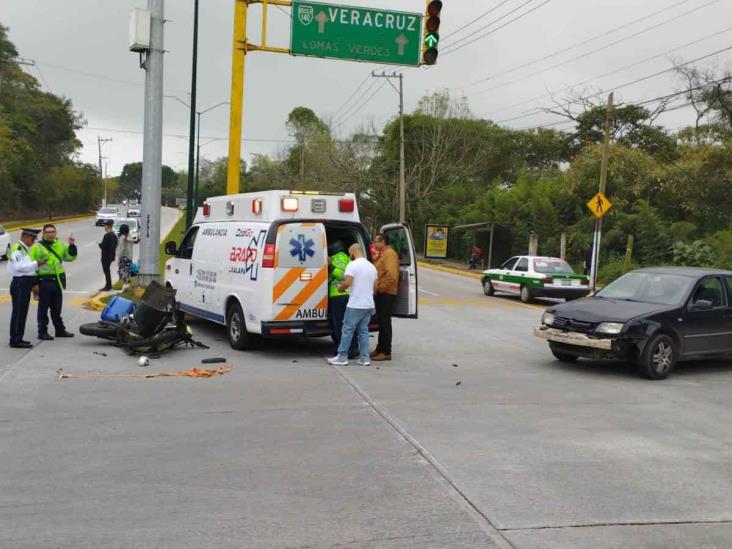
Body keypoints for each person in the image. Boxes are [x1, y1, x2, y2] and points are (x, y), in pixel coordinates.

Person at [327, 244, 377, 367]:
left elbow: (347, 282)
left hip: (356, 304)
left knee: (347, 330)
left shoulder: (352, 265)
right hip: (369, 304)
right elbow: (375, 288)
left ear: (353, 251)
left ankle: (342, 357)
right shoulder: (372, 267)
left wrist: (340, 288)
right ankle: (365, 359)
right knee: (363, 331)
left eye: (350, 253)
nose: (349, 256)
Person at [30, 224, 77, 340]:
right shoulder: (37, 247)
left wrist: (72, 245)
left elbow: (70, 258)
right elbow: (30, 266)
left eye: (52, 232)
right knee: (43, 309)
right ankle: (42, 332)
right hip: (43, 281)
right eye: (48, 232)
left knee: (57, 308)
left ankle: (59, 330)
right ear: (44, 234)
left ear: (55, 233)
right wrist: (34, 283)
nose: (50, 234)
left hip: (57, 281)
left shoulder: (60, 245)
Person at [8, 228, 45, 348]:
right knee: (19, 312)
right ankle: (15, 340)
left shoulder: (24, 248)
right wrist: (36, 264)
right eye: (32, 238)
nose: (33, 241)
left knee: (21, 312)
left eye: (34, 239)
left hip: (24, 282)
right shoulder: (18, 249)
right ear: (24, 237)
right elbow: (19, 267)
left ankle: (18, 337)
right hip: (20, 283)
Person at [371, 234, 400, 362]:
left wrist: (380, 287)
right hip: (382, 293)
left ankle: (386, 351)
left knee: (385, 322)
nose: (374, 244)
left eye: (376, 242)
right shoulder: (383, 254)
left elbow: (392, 275)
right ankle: (380, 348)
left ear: (382, 242)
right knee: (381, 322)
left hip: (386, 293)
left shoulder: (390, 254)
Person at [327, 240, 358, 358]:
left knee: (339, 324)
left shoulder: (336, 258)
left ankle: (343, 349)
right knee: (350, 324)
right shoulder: (349, 259)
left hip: (338, 295)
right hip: (349, 295)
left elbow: (342, 275)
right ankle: (353, 347)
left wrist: (330, 267)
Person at [99, 220, 118, 291]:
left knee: (106, 271)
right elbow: (115, 245)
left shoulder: (107, 236)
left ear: (107, 227)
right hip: (111, 256)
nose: (104, 227)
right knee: (107, 270)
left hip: (105, 256)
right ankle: (108, 284)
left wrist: (100, 245)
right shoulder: (114, 236)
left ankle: (108, 285)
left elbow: (103, 246)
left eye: (105, 226)